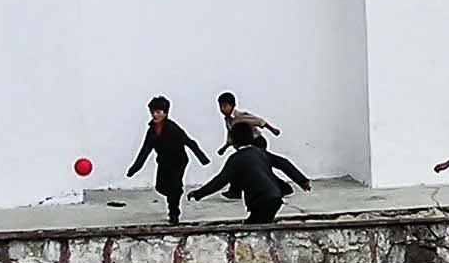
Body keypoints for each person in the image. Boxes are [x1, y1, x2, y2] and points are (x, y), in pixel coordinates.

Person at [191, 122, 312, 224]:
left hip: (261, 201)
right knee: (259, 223)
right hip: (275, 197)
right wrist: (303, 181)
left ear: (233, 142)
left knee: (252, 227)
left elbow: (220, 181)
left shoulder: (236, 159)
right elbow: (284, 163)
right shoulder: (261, 153)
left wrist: (198, 194)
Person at [126, 96, 210, 224]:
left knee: (174, 188)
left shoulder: (173, 128)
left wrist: (202, 158)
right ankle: (175, 193)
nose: (155, 115)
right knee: (160, 187)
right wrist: (134, 168)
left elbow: (189, 141)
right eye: (153, 112)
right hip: (164, 162)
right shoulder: (151, 131)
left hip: (178, 161)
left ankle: (174, 213)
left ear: (165, 113)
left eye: (158, 112)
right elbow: (145, 150)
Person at [215, 91, 281, 154]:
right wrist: (224, 148)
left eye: (224, 106)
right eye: (220, 107)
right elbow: (230, 135)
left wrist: (273, 130)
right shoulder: (227, 120)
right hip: (242, 146)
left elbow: (259, 121)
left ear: (232, 105)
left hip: (256, 141)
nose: (222, 109)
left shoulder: (240, 116)